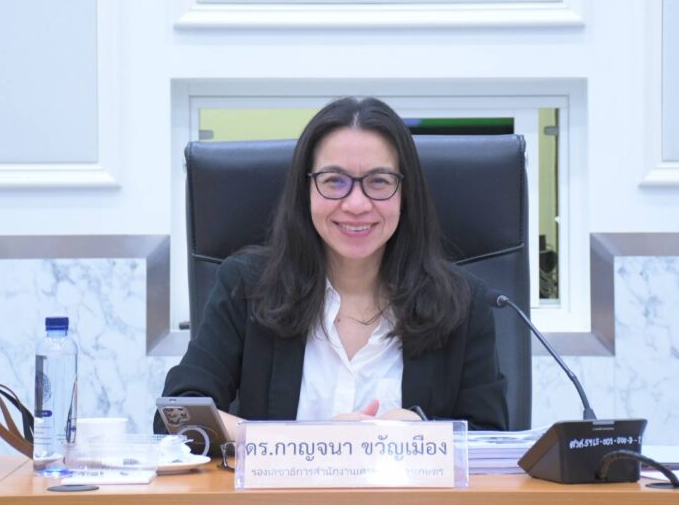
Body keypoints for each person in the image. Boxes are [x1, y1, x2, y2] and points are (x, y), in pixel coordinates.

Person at [156, 97, 508, 438]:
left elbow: (494, 438)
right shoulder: (247, 287)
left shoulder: (462, 302)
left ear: (405, 193)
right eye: (334, 181)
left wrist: (425, 430)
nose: (356, 204)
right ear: (306, 190)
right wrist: (307, 440)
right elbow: (177, 415)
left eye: (379, 181)